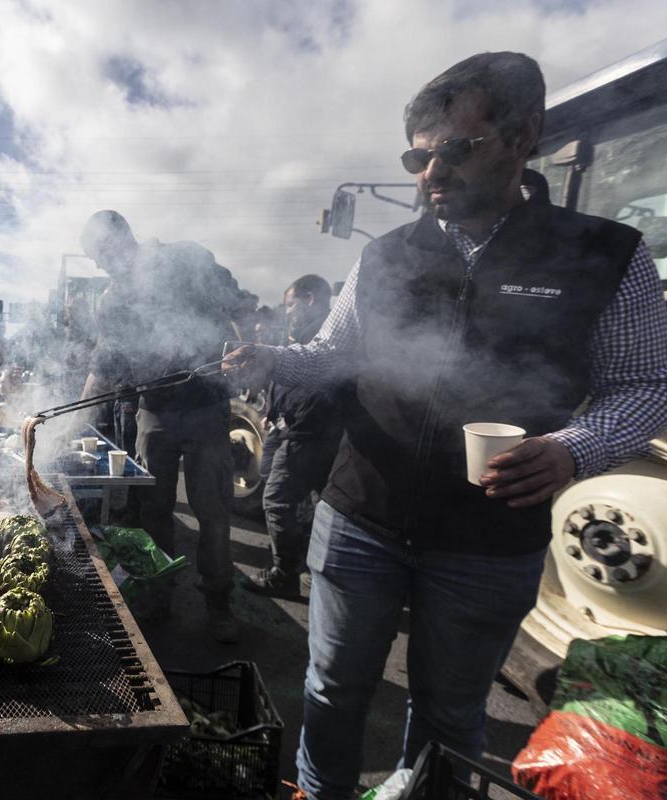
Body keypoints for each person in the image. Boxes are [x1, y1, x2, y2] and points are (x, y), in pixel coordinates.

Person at [225, 52, 667, 798]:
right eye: (420, 157)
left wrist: (572, 449)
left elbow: (644, 386)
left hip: (488, 542)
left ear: (523, 137)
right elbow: (334, 352)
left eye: (458, 150)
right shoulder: (387, 254)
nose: (433, 173)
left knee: (450, 714)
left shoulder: (603, 254)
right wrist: (269, 359)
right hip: (360, 516)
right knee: (332, 688)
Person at [81, 210, 257, 644]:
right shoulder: (113, 301)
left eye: (104, 255)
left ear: (124, 239)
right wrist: (68, 428)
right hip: (153, 411)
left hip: (205, 405)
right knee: (152, 510)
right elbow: (102, 369)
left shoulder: (186, 260)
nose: (104, 266)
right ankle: (159, 592)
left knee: (212, 512)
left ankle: (218, 601)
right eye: (97, 261)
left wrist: (253, 352)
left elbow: (237, 304)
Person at [246, 275, 343, 597]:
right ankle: (311, 566)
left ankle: (285, 574)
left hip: (309, 431)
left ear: (311, 299)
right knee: (310, 500)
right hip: (291, 426)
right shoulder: (304, 332)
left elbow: (316, 387)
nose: (287, 311)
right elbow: (288, 378)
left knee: (276, 501)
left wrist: (292, 423)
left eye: (291, 304)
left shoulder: (328, 335)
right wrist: (272, 412)